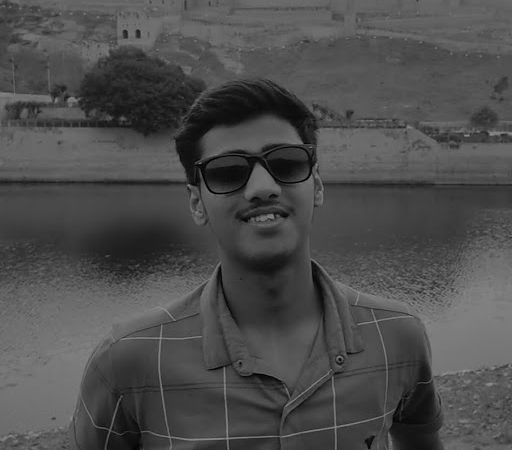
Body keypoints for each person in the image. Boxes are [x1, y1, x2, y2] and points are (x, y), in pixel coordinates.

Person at [70, 78, 444, 449]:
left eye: (286, 163)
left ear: (316, 185)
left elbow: (420, 439)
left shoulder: (397, 336)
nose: (262, 187)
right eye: (227, 172)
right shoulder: (127, 361)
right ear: (197, 203)